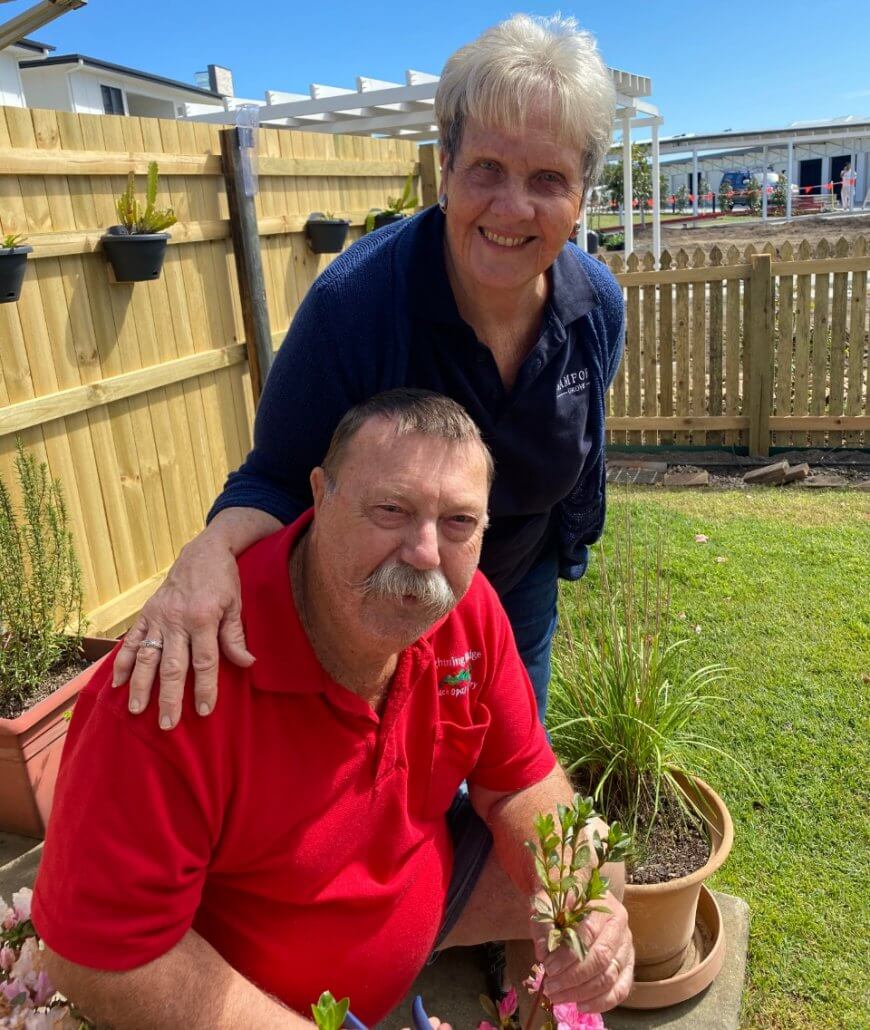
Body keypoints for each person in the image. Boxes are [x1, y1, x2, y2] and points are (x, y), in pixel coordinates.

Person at [33, 391, 634, 1029]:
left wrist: (573, 901)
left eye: (459, 522)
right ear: (321, 497)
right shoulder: (181, 673)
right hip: (252, 999)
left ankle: (522, 1002)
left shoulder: (468, 611)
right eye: (391, 509)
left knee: (598, 875)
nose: (426, 553)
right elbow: (96, 957)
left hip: (417, 891)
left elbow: (520, 779)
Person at [112, 12, 625, 730]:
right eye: (487, 168)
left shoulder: (597, 306)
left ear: (581, 196)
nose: (513, 207)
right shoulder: (354, 304)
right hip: (385, 604)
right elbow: (277, 474)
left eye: (548, 178)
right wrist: (208, 552)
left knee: (506, 772)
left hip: (519, 586)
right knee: (407, 808)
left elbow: (581, 450)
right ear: (445, 166)